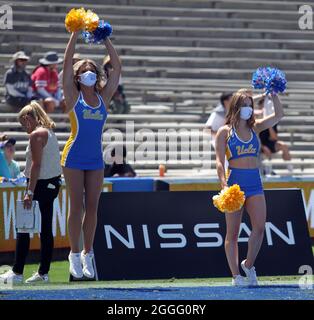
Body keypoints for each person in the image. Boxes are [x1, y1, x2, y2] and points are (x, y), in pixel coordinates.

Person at [61, 31, 121, 279]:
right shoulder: (73, 96)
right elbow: (66, 65)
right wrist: (74, 35)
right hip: (74, 156)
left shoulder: (102, 97)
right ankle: (74, 254)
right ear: (78, 76)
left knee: (93, 208)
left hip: (95, 158)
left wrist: (105, 38)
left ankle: (88, 253)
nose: (90, 73)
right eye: (85, 71)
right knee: (76, 207)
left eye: (93, 71)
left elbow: (116, 68)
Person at [215, 89, 284, 286]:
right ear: (236, 106)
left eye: (250, 105)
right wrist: (223, 183)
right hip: (234, 184)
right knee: (233, 233)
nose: (248, 109)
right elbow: (219, 161)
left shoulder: (257, 128)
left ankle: (248, 264)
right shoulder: (224, 132)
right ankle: (236, 276)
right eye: (244, 105)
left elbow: (279, 115)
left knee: (260, 228)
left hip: (255, 183)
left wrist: (273, 94)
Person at [0, 101, 62, 284]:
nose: (23, 127)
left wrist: (29, 192)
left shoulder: (36, 135)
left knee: (24, 226)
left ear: (28, 119)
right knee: (45, 230)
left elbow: (36, 166)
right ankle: (43, 273)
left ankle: (17, 272)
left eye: (23, 123)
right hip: (52, 183)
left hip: (40, 185)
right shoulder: (49, 132)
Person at [257, 96, 292, 175]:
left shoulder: (271, 120)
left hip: (268, 143)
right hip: (259, 144)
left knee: (283, 146)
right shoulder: (256, 120)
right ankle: (268, 171)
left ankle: (290, 169)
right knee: (265, 151)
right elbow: (255, 137)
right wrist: (263, 147)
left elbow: (274, 138)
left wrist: (269, 125)